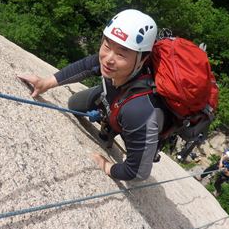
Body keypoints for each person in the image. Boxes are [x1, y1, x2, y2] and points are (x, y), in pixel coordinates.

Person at [18, 9, 167, 181]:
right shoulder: (113, 62)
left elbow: (138, 172)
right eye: (107, 45)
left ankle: (116, 124)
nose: (108, 59)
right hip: (115, 97)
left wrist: (107, 166)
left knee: (127, 120)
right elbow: (86, 65)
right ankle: (111, 121)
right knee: (74, 104)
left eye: (121, 54)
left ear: (142, 59)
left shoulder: (140, 111)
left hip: (132, 116)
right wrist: (45, 83)